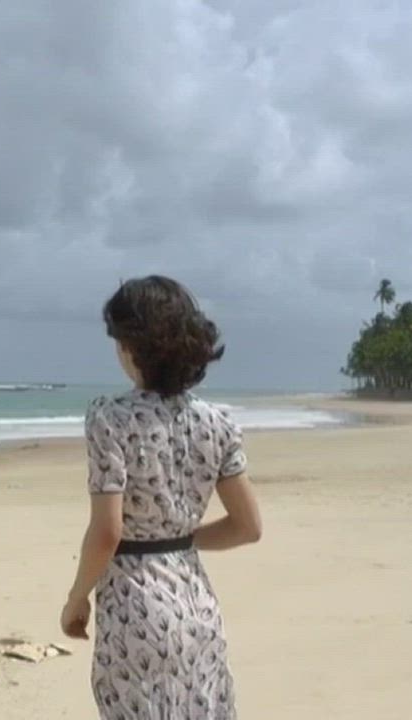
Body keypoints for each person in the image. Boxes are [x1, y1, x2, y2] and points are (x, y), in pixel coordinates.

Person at [59, 275, 263, 719]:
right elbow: (248, 528)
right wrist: (181, 541)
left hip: (136, 605)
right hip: (195, 600)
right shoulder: (219, 423)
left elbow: (107, 532)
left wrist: (76, 599)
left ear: (133, 346)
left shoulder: (109, 416)